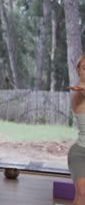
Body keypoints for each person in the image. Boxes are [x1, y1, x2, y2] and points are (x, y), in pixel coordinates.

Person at [67, 54, 85, 205]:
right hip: (80, 154)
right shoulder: (77, 94)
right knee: (82, 194)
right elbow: (82, 92)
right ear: (78, 70)